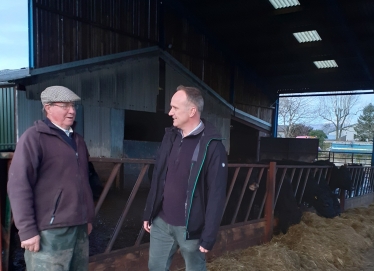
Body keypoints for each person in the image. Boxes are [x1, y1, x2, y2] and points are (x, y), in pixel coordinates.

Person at [7, 86, 95, 271]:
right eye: (65, 105)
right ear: (48, 107)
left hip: (79, 228)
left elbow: (83, 181)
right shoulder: (33, 137)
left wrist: (87, 218)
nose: (72, 110)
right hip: (49, 231)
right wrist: (27, 230)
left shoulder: (78, 140)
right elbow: (18, 185)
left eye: (73, 105)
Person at [143, 85, 228, 271]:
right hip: (161, 223)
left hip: (191, 228)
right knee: (155, 267)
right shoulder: (170, 137)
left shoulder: (213, 146)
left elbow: (217, 193)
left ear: (192, 111)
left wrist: (209, 234)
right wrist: (149, 212)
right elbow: (158, 176)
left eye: (175, 108)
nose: (169, 112)